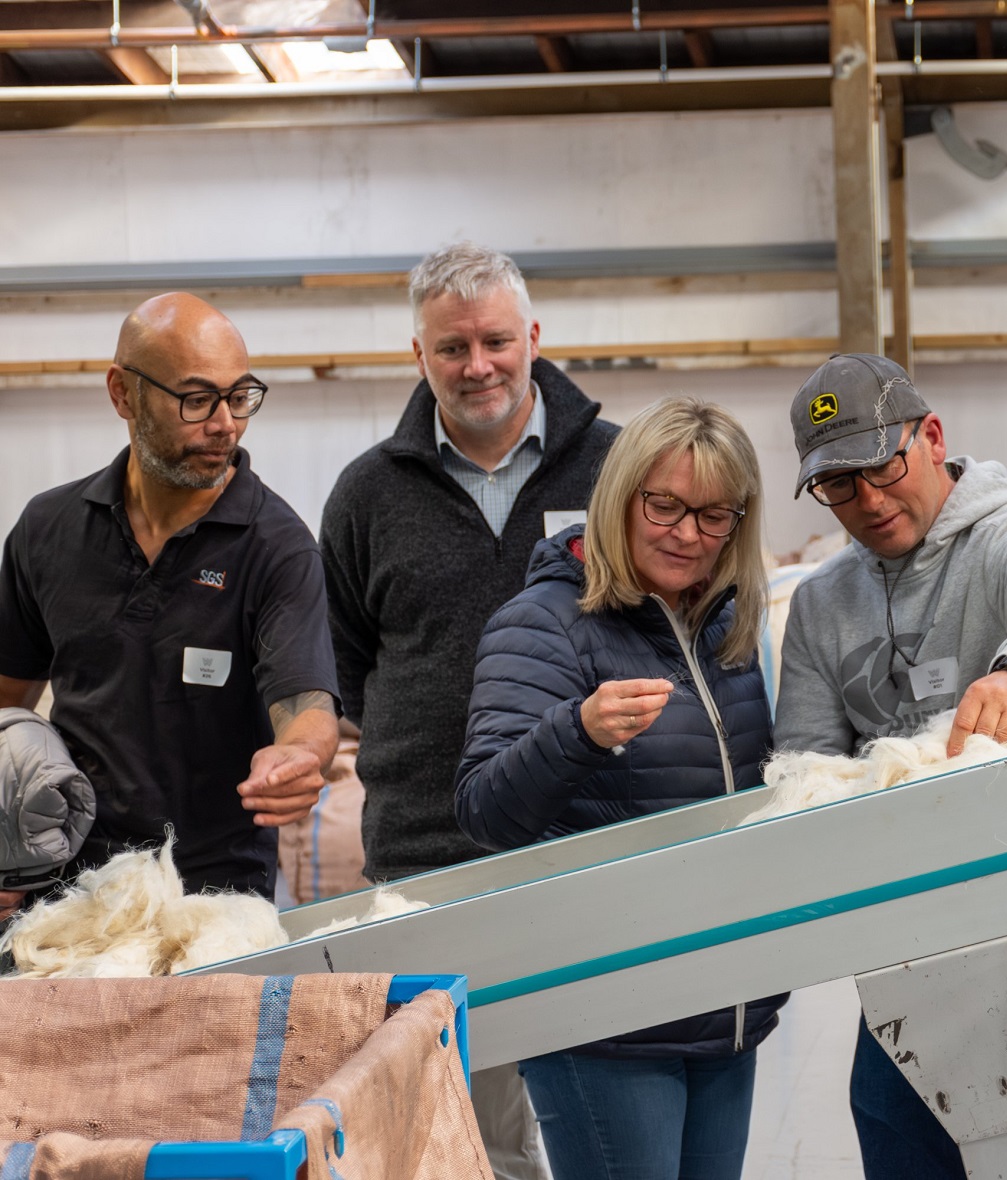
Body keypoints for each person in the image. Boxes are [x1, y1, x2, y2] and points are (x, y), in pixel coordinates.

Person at [773, 354, 1007, 1180]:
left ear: (931, 436)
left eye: (883, 467)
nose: (869, 502)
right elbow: (807, 773)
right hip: (908, 974)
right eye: (838, 486)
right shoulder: (821, 608)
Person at [321, 242, 619, 1179]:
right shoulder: (367, 494)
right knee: (462, 1133)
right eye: (452, 348)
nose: (478, 365)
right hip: (428, 856)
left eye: (496, 340)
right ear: (420, 356)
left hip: (592, 842)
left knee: (605, 1119)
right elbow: (347, 666)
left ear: (533, 337)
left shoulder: (616, 467)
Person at [456, 397, 785, 1180]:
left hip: (722, 1002)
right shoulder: (545, 624)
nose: (685, 534)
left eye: (714, 516)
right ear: (621, 498)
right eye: (665, 505)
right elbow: (483, 811)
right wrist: (576, 731)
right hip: (605, 1018)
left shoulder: (728, 631)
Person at [0, 293, 339, 918]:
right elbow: (6, 700)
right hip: (64, 895)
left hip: (215, 899)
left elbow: (306, 704)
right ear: (123, 394)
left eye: (240, 397)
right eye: (196, 399)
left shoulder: (278, 547)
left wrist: (300, 753)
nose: (225, 424)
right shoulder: (47, 529)